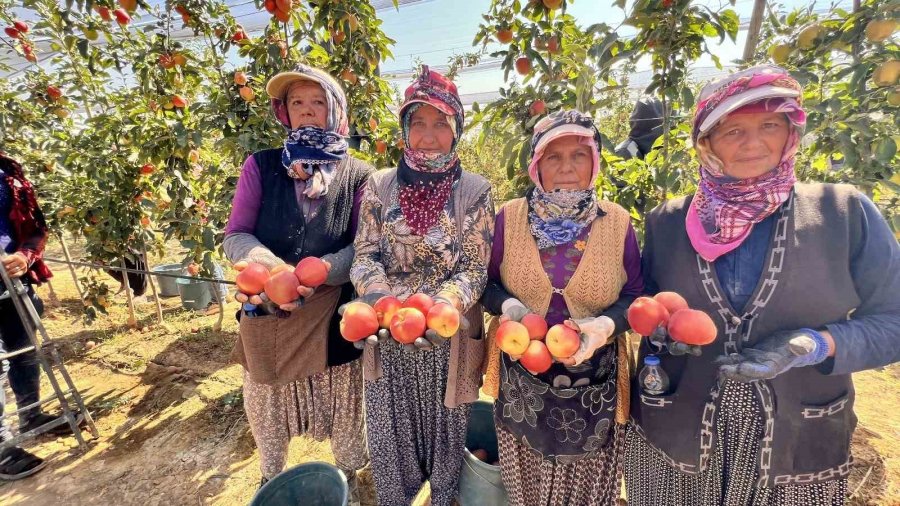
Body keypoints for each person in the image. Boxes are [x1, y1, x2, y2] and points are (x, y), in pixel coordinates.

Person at [625, 64, 900, 505]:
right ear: (706, 142)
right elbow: (651, 308)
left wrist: (817, 344)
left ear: (791, 130)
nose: (754, 143)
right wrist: (659, 334)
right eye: (733, 130)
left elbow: (893, 321)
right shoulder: (668, 223)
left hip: (796, 442)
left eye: (769, 125)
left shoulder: (843, 213)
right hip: (680, 433)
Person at [222, 64, 371, 501]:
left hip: (333, 316)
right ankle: (272, 479)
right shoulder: (262, 166)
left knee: (345, 405)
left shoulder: (359, 175)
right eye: (296, 102)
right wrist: (270, 268)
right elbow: (236, 234)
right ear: (283, 111)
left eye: (317, 102)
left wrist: (324, 269)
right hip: (269, 309)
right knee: (267, 399)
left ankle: (349, 477)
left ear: (335, 109)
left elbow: (365, 246)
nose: (306, 112)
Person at [480, 110, 643, 506]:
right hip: (522, 375)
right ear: (536, 165)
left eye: (579, 155)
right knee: (527, 480)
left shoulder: (617, 223)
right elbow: (485, 285)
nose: (567, 168)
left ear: (595, 161)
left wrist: (605, 324)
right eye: (554, 156)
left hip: (594, 378)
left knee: (586, 487)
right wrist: (511, 306)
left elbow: (637, 295)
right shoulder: (509, 218)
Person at [349, 66, 494, 506]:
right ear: (405, 130)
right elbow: (364, 255)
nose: (428, 136)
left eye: (440, 124)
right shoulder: (379, 184)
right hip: (388, 336)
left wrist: (442, 305)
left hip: (446, 340)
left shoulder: (474, 189)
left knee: (449, 449)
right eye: (418, 123)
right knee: (391, 448)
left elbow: (475, 267)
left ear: (456, 131)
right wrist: (380, 301)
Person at [0, 152, 53, 480]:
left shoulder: (8, 172)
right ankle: (2, 448)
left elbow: (36, 225)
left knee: (26, 352)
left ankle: (31, 415)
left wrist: (25, 254)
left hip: (12, 281)